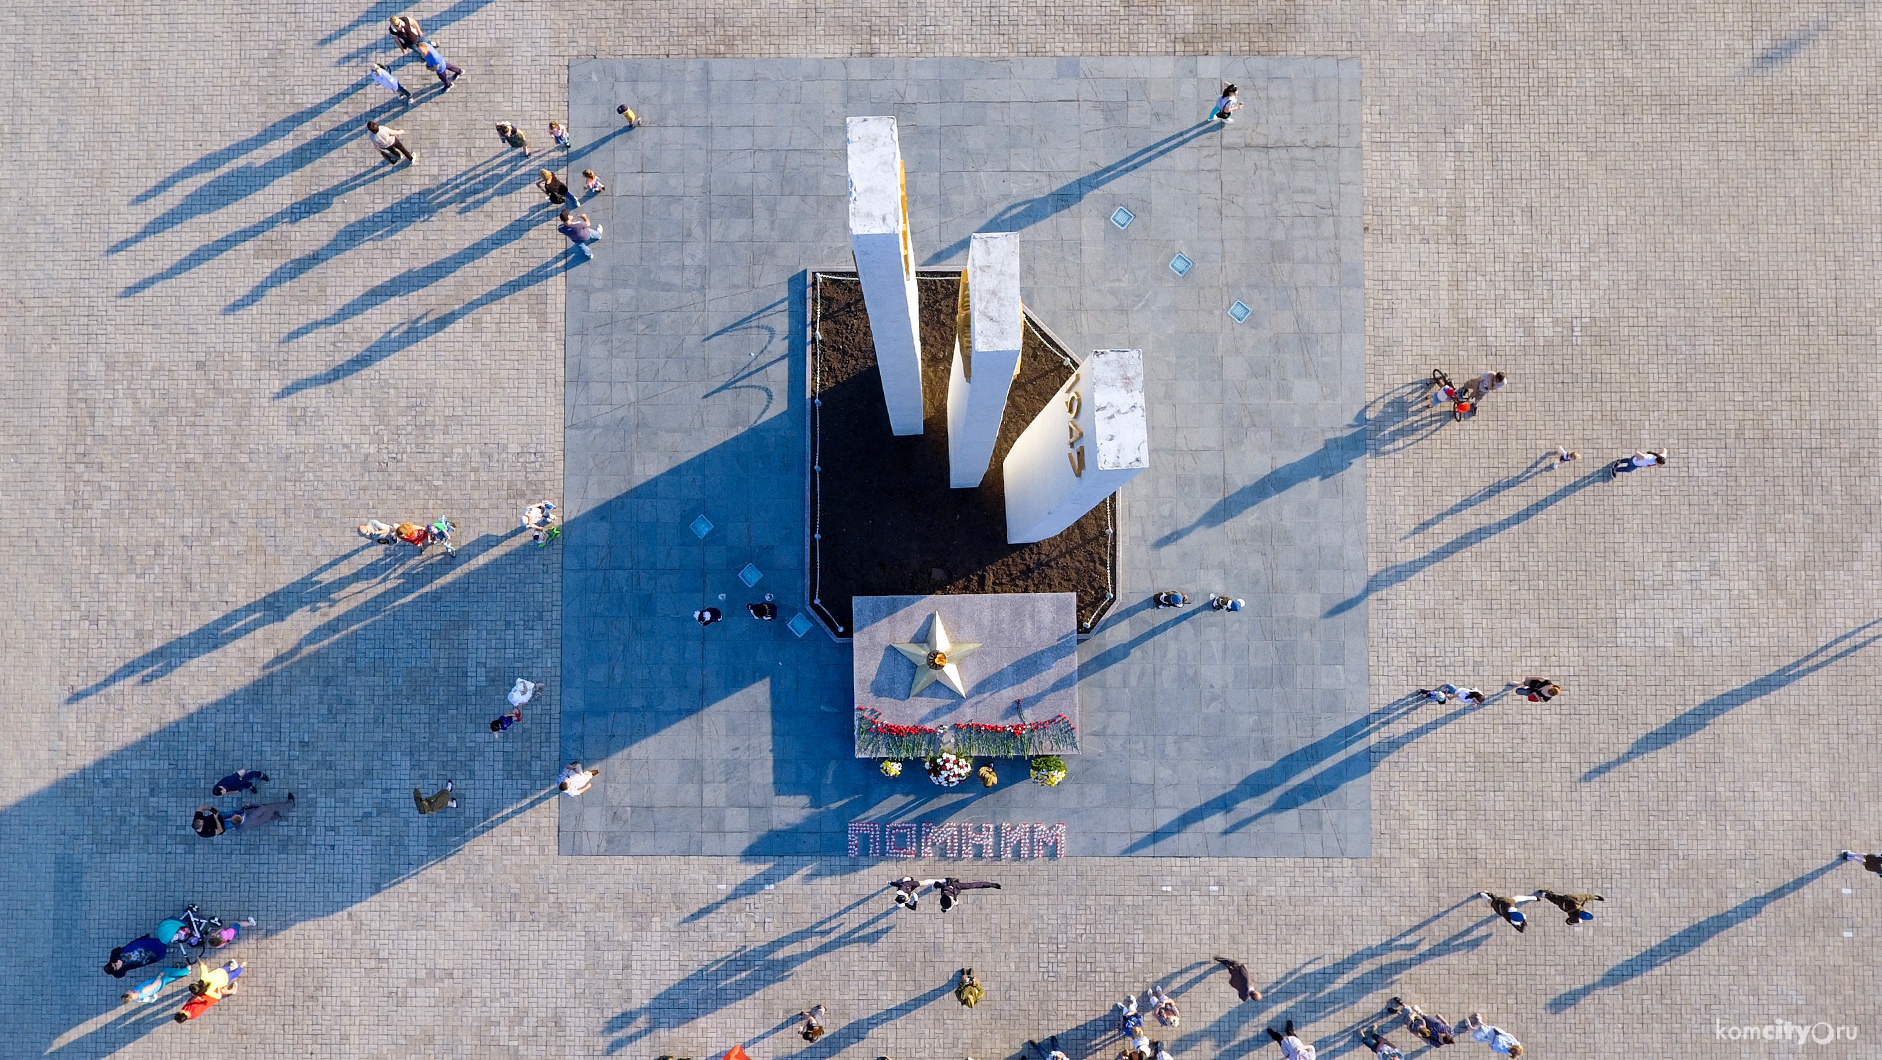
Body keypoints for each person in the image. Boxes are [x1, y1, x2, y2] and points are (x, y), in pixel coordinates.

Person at [123, 964, 194, 1005]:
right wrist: (159, 976)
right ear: (130, 995)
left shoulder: (134, 999)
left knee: (169, 978)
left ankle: (179, 972)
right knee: (166, 971)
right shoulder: (142, 991)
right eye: (129, 991)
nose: (129, 990)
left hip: (156, 984)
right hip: (158, 982)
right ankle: (186, 970)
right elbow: (154, 985)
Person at [103, 935, 168, 978]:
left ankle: (164, 940)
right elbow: (119, 975)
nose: (116, 964)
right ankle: (167, 950)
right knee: (155, 954)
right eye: (116, 967)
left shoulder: (114, 954)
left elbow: (119, 949)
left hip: (136, 947)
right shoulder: (119, 973)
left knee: (152, 944)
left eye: (114, 964)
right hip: (142, 959)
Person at [230, 794, 294, 829]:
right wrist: (251, 804)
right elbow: (262, 808)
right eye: (235, 815)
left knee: (269, 816)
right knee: (275, 806)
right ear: (240, 817)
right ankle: (290, 804)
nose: (234, 814)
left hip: (261, 819)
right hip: (264, 812)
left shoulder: (240, 826)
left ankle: (277, 817)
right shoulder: (252, 815)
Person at [1536, 890, 1603, 923]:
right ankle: (1546, 895)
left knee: (1555, 898)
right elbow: (1569, 921)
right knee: (1554, 900)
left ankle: (1546, 894)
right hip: (1562, 906)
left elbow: (1585, 897)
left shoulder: (1576, 902)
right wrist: (1577, 921)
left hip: (1566, 899)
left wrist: (1595, 897)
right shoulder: (1574, 916)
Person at [936, 877, 1000, 911]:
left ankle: (953, 880)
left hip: (951, 885)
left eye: (952, 902)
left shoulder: (949, 888)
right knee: (954, 904)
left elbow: (975, 885)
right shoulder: (948, 902)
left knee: (970, 886)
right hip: (951, 892)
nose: (953, 902)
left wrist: (990, 885)